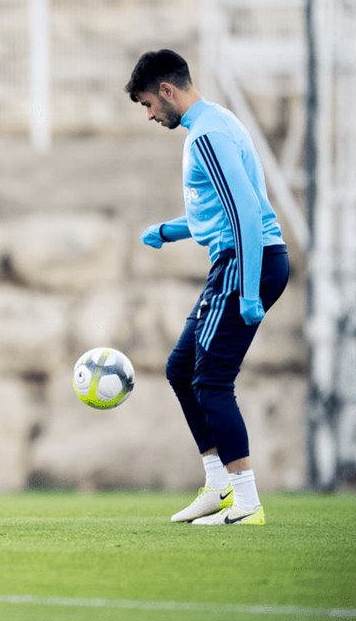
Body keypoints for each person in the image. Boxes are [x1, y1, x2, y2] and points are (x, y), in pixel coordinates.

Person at [127, 49, 289, 526]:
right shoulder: (214, 124)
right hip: (241, 260)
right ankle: (218, 486)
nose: (151, 115)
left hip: (246, 263)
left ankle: (246, 500)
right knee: (181, 369)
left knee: (212, 380)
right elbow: (216, 213)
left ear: (167, 91)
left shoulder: (208, 136)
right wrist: (167, 231)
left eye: (148, 105)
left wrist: (251, 290)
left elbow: (246, 213)